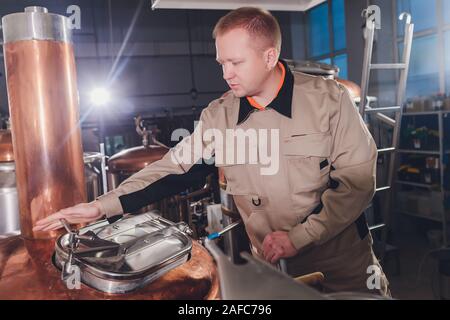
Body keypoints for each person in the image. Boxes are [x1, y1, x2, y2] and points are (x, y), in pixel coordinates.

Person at [34, 7, 390, 296]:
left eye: (236, 63)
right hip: (272, 269)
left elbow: (356, 183)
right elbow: (173, 169)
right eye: (222, 63)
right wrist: (102, 205)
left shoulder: (330, 101)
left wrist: (299, 237)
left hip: (342, 266)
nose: (226, 74)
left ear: (270, 55)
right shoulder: (219, 115)